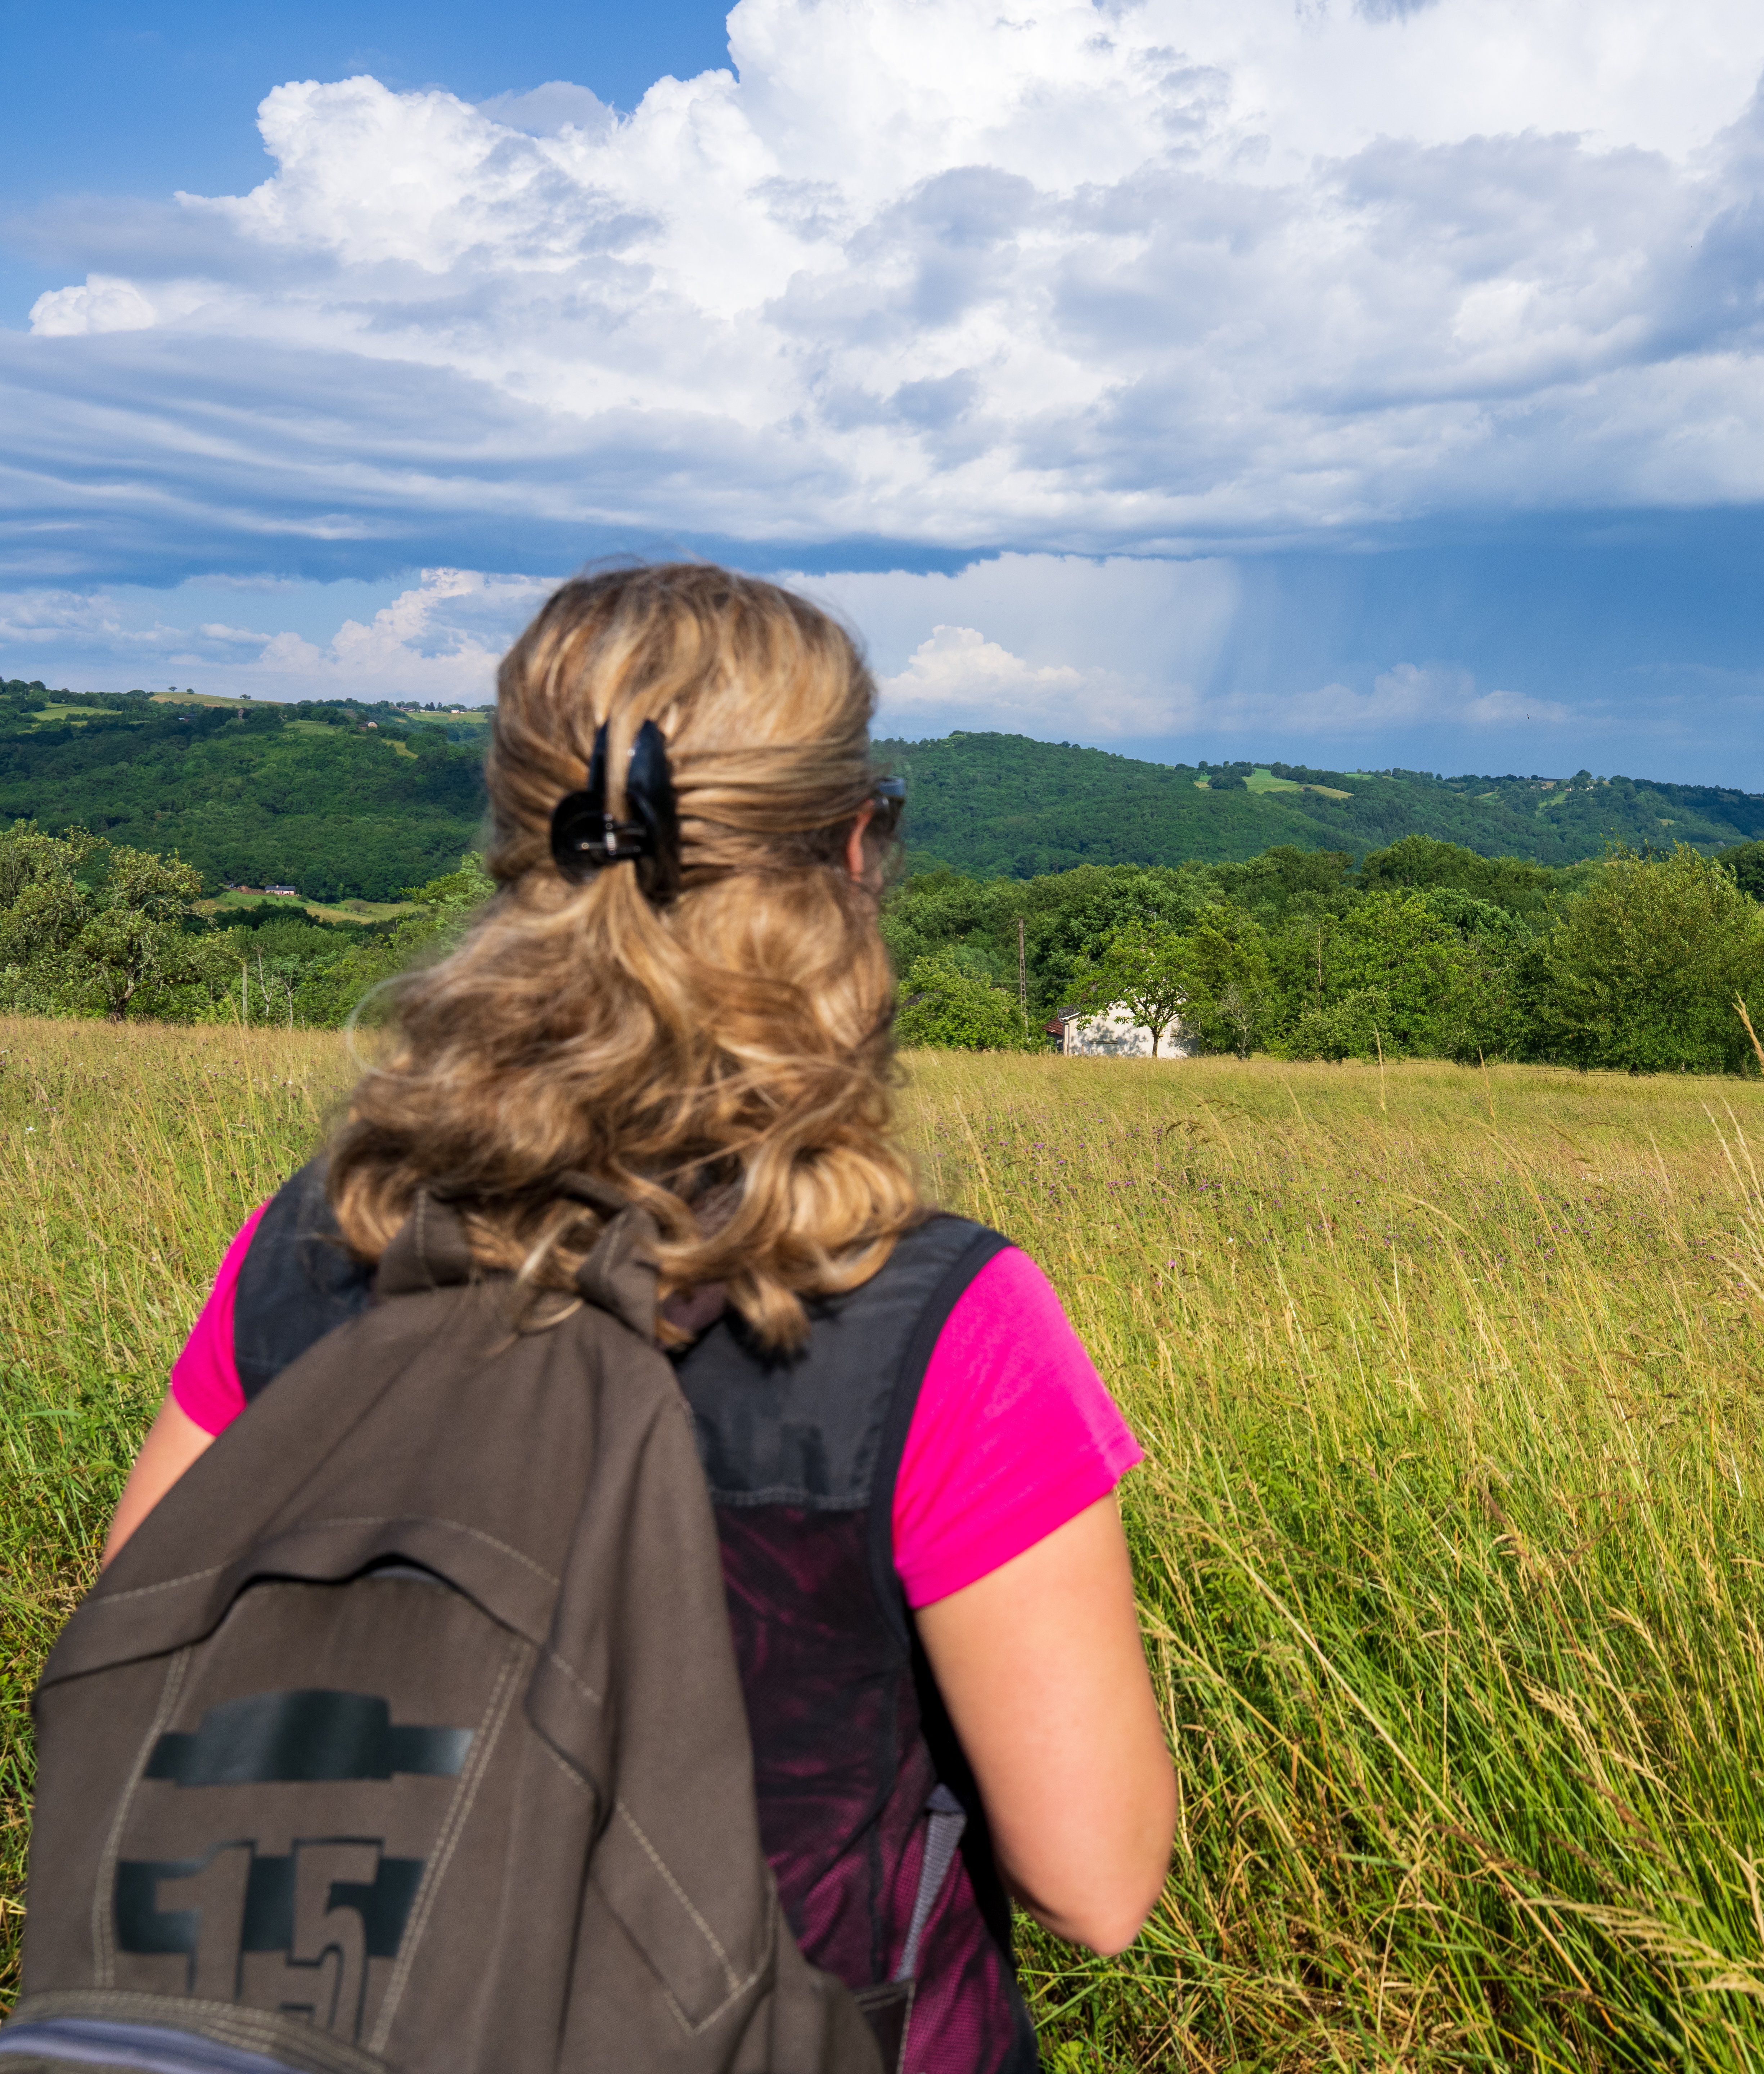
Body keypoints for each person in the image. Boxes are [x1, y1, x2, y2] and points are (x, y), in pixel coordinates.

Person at [94, 563, 1177, 2074]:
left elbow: (142, 1641)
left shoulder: (309, 1241)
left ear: (513, 834)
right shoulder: (944, 1322)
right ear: (858, 853)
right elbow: (1097, 1883)